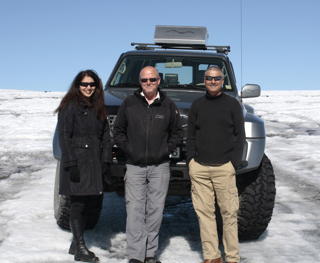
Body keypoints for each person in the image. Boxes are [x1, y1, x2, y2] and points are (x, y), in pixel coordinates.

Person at [113, 66, 183, 263]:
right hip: (134, 166)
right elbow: (118, 130)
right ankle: (136, 255)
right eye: (144, 80)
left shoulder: (169, 105)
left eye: (152, 79)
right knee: (134, 209)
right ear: (140, 82)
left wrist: (165, 150)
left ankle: (150, 253)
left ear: (159, 80)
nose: (148, 83)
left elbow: (177, 132)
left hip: (159, 166)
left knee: (155, 210)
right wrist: (129, 149)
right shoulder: (128, 103)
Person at [186, 66, 245, 263]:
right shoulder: (197, 105)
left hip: (224, 168)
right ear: (204, 80)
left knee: (229, 214)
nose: (213, 81)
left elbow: (240, 137)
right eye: (209, 78)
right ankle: (212, 257)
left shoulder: (232, 105)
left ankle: (232, 257)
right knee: (205, 214)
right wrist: (191, 162)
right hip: (200, 168)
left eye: (216, 78)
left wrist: (233, 164)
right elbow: (191, 136)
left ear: (222, 81)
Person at [55, 70, 112, 263]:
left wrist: (105, 161)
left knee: (89, 203)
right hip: (77, 163)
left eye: (92, 84)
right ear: (77, 86)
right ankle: (79, 247)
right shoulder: (69, 107)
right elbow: (64, 137)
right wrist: (71, 164)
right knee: (77, 204)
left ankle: (75, 244)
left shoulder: (98, 107)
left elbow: (105, 136)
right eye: (84, 84)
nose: (88, 87)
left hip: (94, 162)